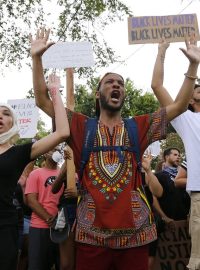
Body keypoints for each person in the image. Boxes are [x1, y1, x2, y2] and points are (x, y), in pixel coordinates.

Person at [31, 28, 200, 270]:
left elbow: (181, 105)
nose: (116, 85)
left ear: (123, 94)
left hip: (136, 236)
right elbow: (42, 100)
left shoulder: (138, 126)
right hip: (91, 238)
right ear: (98, 93)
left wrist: (193, 66)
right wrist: (37, 59)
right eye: (109, 82)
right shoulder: (80, 126)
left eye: (120, 83)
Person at [0, 72, 69, 269]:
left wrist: (55, 92)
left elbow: (63, 132)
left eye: (6, 113)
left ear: (13, 123)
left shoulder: (19, 153)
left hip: (4, 226)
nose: (0, 116)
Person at [151, 37, 200, 270]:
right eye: (197, 88)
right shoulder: (187, 119)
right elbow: (157, 87)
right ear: (189, 99)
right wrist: (162, 51)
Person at [25, 147, 63, 270]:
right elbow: (31, 200)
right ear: (45, 153)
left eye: (58, 150)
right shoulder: (35, 174)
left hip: (62, 228)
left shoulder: (67, 174)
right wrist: (49, 219)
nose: (56, 152)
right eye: (52, 149)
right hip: (39, 227)